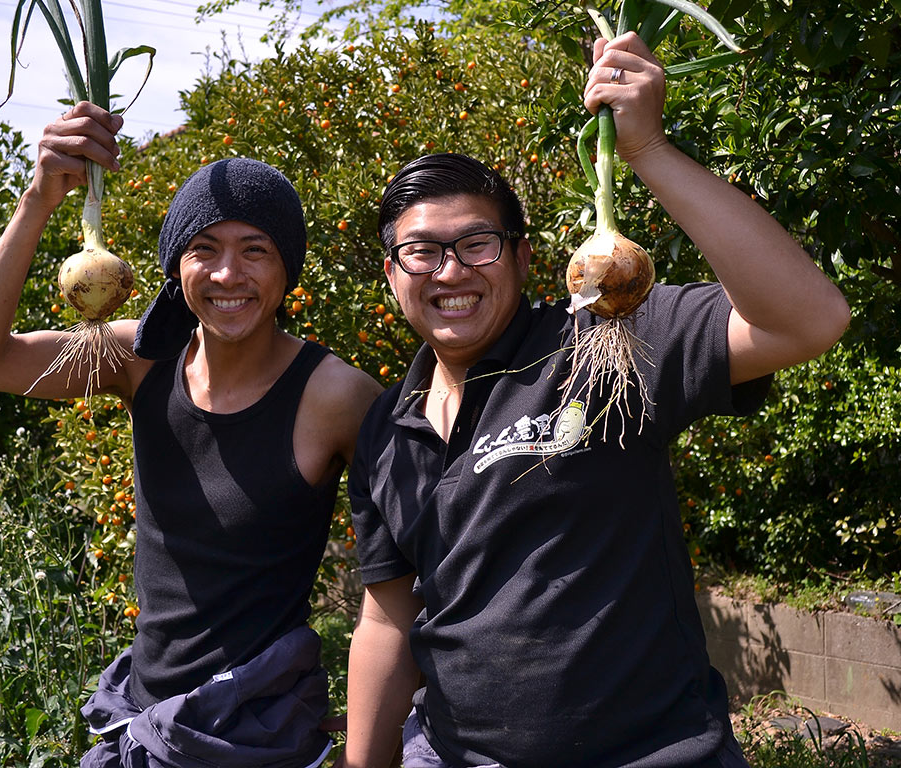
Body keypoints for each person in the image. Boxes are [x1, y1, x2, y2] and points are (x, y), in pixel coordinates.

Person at [342, 32, 850, 768]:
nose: (450, 270)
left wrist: (648, 150)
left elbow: (809, 319)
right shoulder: (385, 428)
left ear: (522, 256)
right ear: (393, 275)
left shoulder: (604, 341)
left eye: (478, 243)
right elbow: (389, 619)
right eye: (421, 252)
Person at [0, 101, 382, 768]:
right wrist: (39, 198)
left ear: (287, 269)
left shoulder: (335, 396)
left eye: (255, 250)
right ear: (176, 266)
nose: (228, 275)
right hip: (142, 722)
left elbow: (395, 590)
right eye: (204, 249)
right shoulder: (135, 360)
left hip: (261, 732)